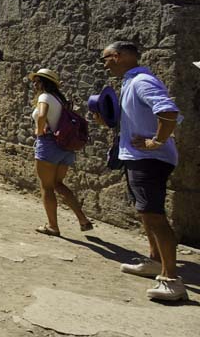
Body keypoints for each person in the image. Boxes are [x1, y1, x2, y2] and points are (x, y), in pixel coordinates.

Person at [97, 41, 185, 301]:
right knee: (145, 212)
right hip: (138, 157)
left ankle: (171, 279)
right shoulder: (130, 82)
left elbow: (168, 111)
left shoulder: (142, 81)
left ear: (119, 56)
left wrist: (155, 141)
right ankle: (155, 261)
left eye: (106, 59)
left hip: (150, 159)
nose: (104, 65)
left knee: (155, 215)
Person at [27, 68, 92, 237]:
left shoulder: (44, 97)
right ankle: (83, 219)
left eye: (36, 81)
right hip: (65, 147)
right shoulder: (60, 99)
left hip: (49, 144)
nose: (33, 84)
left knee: (46, 187)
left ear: (42, 82)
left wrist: (39, 130)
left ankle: (52, 226)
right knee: (58, 184)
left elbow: (41, 116)